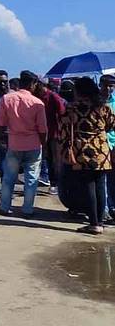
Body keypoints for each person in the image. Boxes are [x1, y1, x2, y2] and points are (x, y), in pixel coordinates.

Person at [57, 77, 115, 235]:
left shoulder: (71, 109)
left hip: (82, 152)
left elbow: (62, 130)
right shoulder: (104, 107)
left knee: (88, 186)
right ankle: (101, 221)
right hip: (102, 151)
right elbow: (111, 126)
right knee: (100, 186)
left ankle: (94, 223)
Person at [0, 70, 48, 217]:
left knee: (8, 177)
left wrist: (1, 139)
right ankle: (27, 209)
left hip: (14, 143)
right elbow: (43, 129)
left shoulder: (7, 99)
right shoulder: (38, 103)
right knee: (31, 179)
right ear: (33, 84)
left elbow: (0, 123)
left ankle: (4, 207)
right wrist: (44, 145)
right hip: (34, 144)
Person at [32, 78, 66, 192]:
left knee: (56, 160)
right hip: (40, 133)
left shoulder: (53, 97)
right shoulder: (35, 96)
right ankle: (51, 181)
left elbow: (62, 113)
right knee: (46, 158)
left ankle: (57, 183)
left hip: (54, 133)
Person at [101, 74, 115, 222]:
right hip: (100, 146)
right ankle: (104, 209)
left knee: (112, 179)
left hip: (114, 144)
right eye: (105, 85)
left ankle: (112, 207)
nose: (108, 88)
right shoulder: (96, 102)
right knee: (102, 179)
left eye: (111, 86)